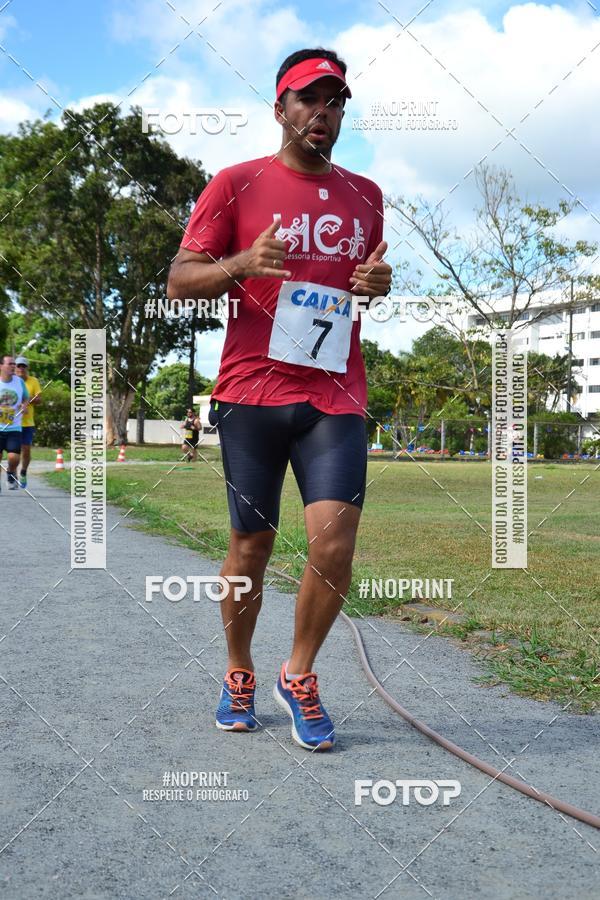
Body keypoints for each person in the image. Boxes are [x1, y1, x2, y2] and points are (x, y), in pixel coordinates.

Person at [167, 48, 392, 751]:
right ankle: (239, 671)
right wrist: (239, 265)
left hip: (334, 394)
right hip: (251, 391)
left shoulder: (366, 196)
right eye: (308, 100)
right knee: (250, 546)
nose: (322, 113)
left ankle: (298, 675)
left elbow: (363, 282)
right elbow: (180, 279)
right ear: (280, 107)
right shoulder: (236, 184)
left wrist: (376, 287)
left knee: (335, 541)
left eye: (335, 102)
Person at [0, 354, 30, 492]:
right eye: (10, 364)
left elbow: (26, 397)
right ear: (1, 366)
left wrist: (24, 405)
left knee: (14, 457)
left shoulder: (19, 382)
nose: (13, 366)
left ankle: (11, 472)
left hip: (14, 427)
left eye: (14, 364)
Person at [15, 356, 42, 489]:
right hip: (11, 423)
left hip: (27, 423)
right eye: (19, 366)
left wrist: (27, 400)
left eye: (23, 366)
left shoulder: (33, 381)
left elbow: (39, 400)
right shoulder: (9, 381)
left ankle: (23, 472)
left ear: (27, 368)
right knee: (11, 452)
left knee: (26, 451)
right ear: (15, 367)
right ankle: (11, 474)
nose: (21, 369)